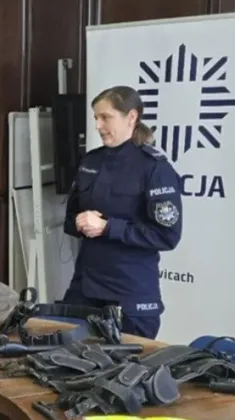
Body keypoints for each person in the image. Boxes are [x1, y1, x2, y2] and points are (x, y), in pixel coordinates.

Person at [61, 85, 184, 340]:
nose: (98, 125)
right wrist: (80, 222)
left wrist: (108, 227)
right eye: (96, 117)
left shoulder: (154, 168)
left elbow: (167, 236)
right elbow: (70, 219)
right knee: (65, 357)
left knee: (126, 364)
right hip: (85, 288)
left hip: (130, 295)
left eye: (106, 117)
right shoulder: (91, 161)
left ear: (131, 116)